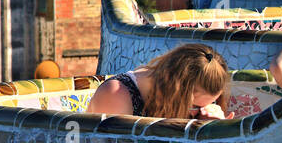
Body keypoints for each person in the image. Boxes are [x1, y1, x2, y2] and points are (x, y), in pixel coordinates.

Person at [88, 44, 231, 119]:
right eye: (195, 107)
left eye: (211, 104)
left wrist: (216, 130)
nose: (201, 114)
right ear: (176, 89)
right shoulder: (116, 95)